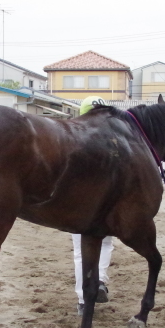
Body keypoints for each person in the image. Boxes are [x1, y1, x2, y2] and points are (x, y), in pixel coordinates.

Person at [73, 95, 114, 315]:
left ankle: (82, 300)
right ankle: (100, 281)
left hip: (79, 206)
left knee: (81, 253)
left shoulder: (73, 137)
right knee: (106, 245)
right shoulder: (116, 140)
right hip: (107, 203)